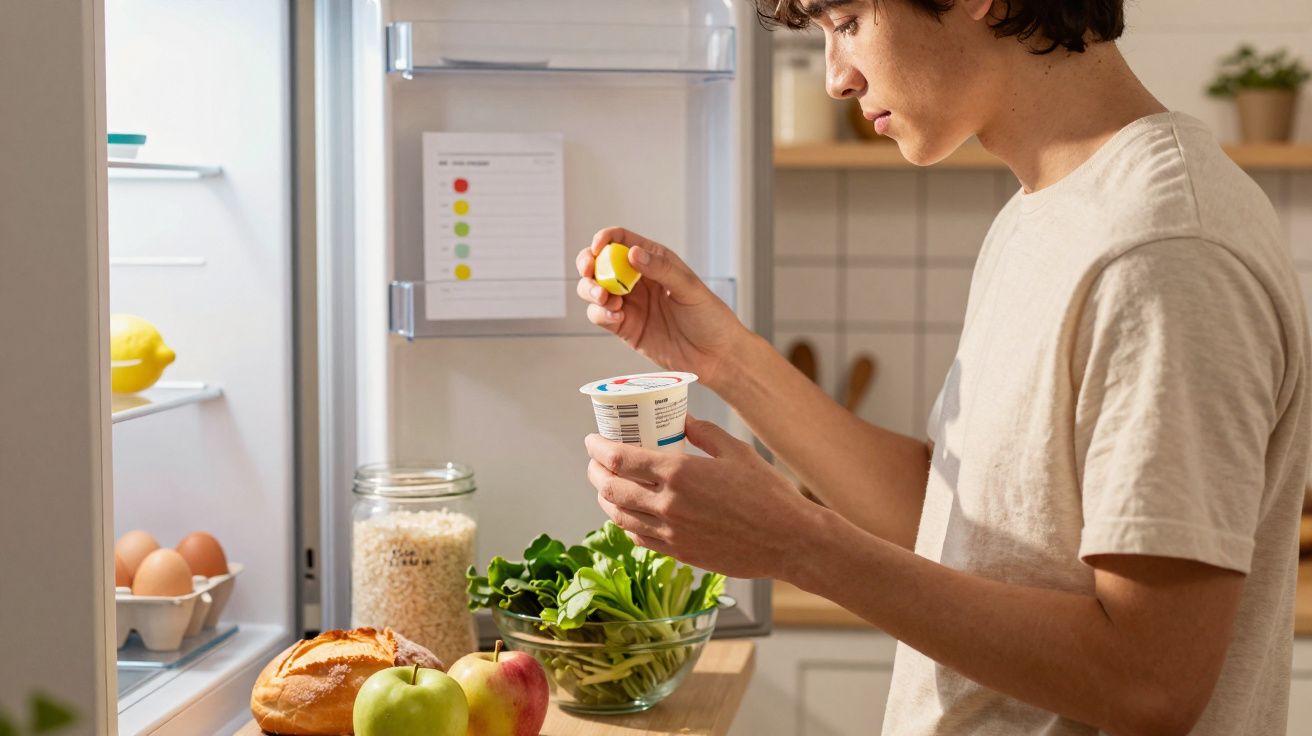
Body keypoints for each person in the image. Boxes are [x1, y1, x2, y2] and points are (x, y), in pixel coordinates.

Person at [574, 0, 1311, 733]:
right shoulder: (1048, 210)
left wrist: (797, 544)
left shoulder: (1164, 252)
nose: (836, 78)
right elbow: (968, 525)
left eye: (849, 22)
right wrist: (723, 357)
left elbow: (1150, 680)